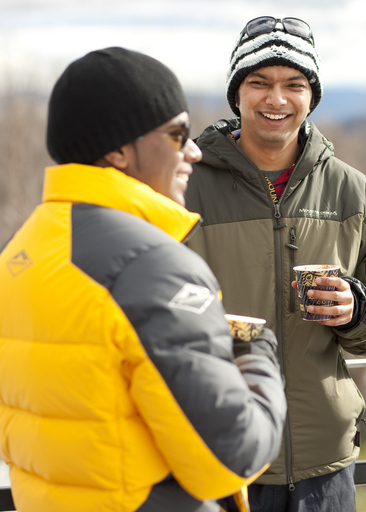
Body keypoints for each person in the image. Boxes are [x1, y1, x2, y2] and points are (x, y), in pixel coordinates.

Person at [0, 47, 287, 512]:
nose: (193, 149)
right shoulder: (152, 267)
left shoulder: (22, 250)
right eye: (178, 133)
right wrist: (257, 354)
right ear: (118, 149)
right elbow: (229, 457)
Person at [184, 16, 366, 512]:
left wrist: (357, 309)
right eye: (259, 82)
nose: (276, 99)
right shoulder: (186, 186)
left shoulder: (357, 192)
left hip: (324, 464)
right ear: (236, 94)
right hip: (218, 450)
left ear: (312, 97)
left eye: (294, 85)